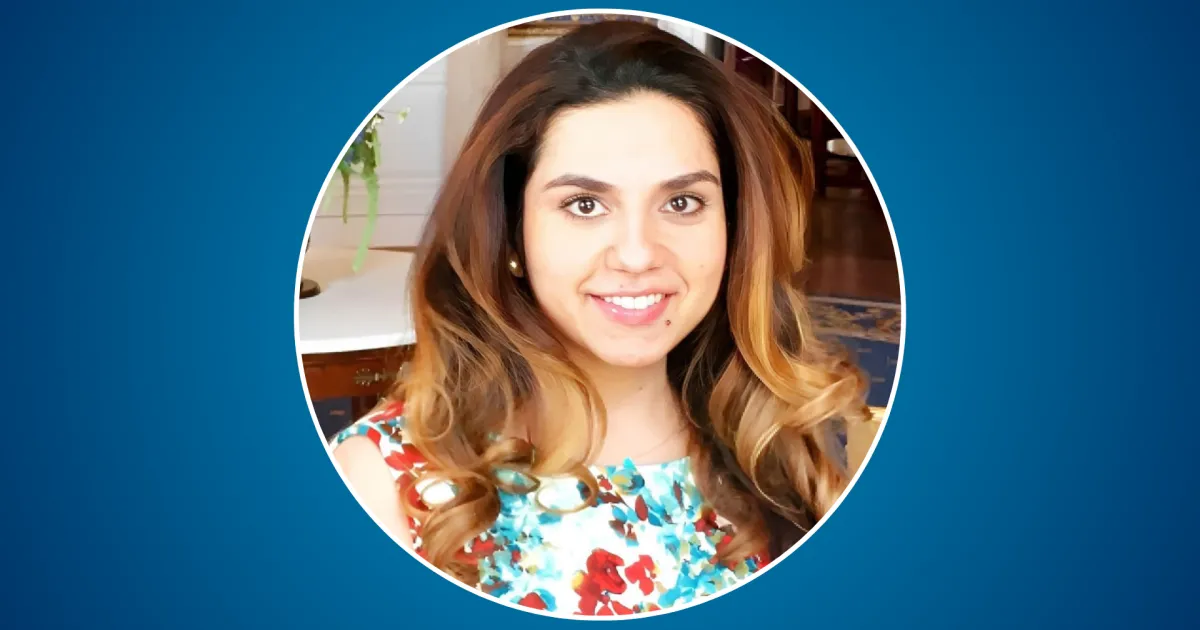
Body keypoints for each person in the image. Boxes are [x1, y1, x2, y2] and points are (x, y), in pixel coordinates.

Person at [331, 20, 870, 616]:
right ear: (510, 231)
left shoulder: (782, 442)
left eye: (682, 202)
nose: (637, 255)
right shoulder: (381, 483)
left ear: (733, 229)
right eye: (584, 205)